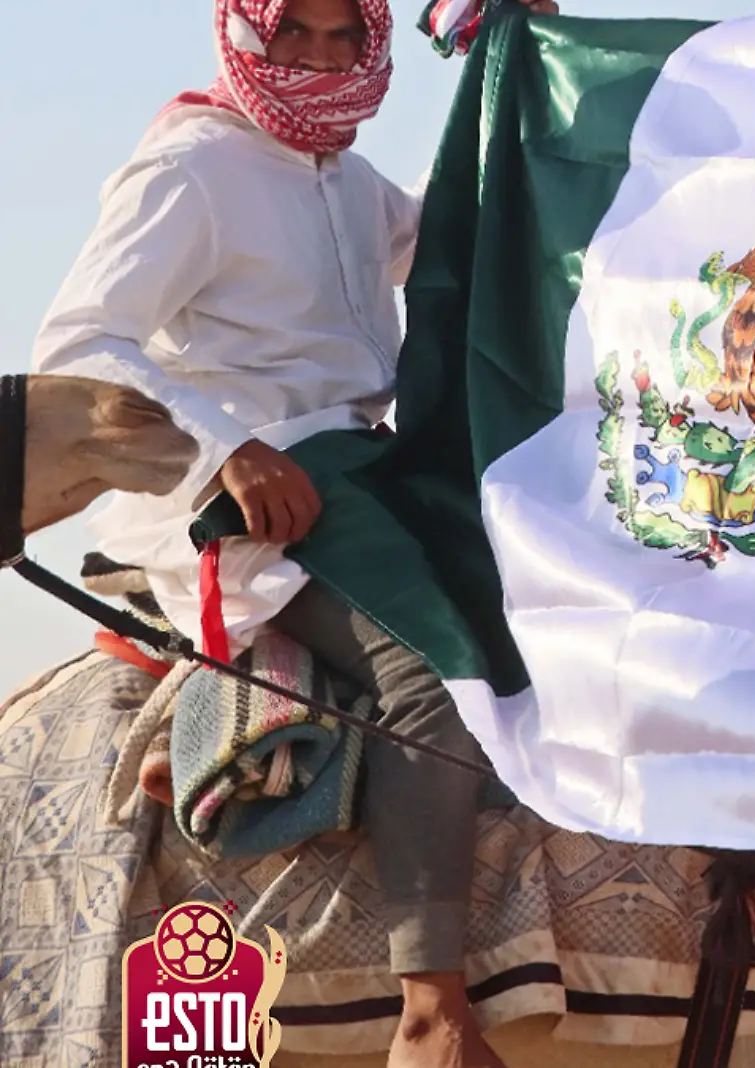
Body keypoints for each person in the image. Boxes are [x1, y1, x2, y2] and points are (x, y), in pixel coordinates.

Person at [32, 2, 555, 1066]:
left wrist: (526, 60)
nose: (318, 59)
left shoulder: (349, 180)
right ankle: (430, 1007)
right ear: (246, 34)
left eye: (343, 37)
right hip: (242, 491)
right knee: (430, 671)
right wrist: (228, 444)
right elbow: (80, 338)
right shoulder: (191, 168)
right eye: (293, 35)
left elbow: (473, 231)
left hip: (365, 467)